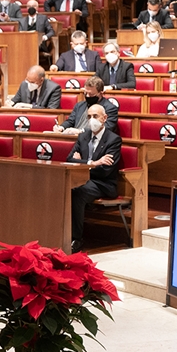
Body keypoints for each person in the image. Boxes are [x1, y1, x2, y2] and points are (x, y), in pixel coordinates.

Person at [67, 103, 123, 253]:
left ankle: (76, 238)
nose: (92, 120)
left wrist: (81, 163)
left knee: (77, 191)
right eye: (89, 117)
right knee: (64, 187)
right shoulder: (83, 136)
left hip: (103, 184)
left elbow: (105, 171)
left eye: (95, 116)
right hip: (85, 179)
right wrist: (92, 163)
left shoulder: (113, 139)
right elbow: (69, 159)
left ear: (104, 118)